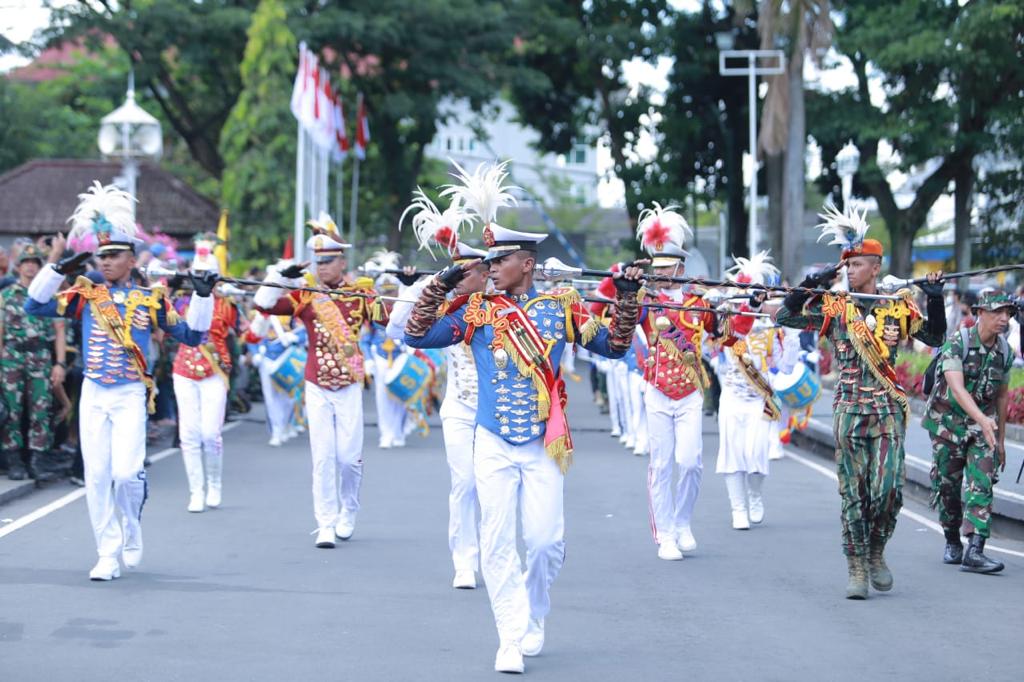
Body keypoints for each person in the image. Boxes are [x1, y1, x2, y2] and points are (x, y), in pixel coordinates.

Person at [403, 162, 643, 674]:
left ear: (526, 263)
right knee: (495, 540)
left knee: (545, 542)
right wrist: (440, 284)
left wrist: (626, 297)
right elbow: (416, 335)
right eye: (487, 260)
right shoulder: (477, 312)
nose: (489, 267)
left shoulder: (563, 306)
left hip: (542, 444)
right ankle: (510, 635)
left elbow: (617, 348)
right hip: (490, 440)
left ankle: (534, 612)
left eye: (499, 259)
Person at [25, 182, 215, 581]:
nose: (105, 261)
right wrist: (58, 268)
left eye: (113, 256)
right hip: (94, 390)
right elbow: (35, 305)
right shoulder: (86, 294)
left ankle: (131, 527)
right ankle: (106, 552)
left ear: (131, 259)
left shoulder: (152, 299)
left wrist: (202, 298)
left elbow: (194, 337)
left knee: (127, 473)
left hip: (130, 392)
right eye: (102, 255)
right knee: (96, 475)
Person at [775, 201, 946, 599]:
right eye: (845, 266)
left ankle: (876, 551)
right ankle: (855, 564)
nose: (848, 271)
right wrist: (812, 284)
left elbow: (935, 339)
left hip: (886, 410)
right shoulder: (836, 307)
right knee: (854, 493)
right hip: (850, 410)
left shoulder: (896, 305)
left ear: (875, 267)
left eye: (855, 265)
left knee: (888, 491)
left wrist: (935, 299)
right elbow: (786, 317)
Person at [254, 212, 389, 549]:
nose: (323, 267)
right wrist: (279, 278)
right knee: (323, 456)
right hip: (316, 382)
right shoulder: (306, 295)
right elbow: (263, 305)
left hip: (349, 382)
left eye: (328, 261)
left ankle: (350, 509)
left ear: (341, 261)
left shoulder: (361, 292)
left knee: (349, 458)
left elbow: (388, 319)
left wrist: (401, 287)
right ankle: (325, 522)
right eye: (318, 261)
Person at [387, 202, 491, 588]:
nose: (467, 278)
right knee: (464, 483)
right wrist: (421, 287)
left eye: (474, 271)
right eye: (460, 272)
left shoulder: (501, 301)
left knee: (495, 487)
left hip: (500, 408)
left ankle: (496, 553)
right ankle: (465, 560)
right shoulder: (443, 303)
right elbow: (396, 331)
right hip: (461, 407)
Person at [634, 203, 717, 561]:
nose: (663, 275)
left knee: (691, 461)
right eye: (659, 269)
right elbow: (612, 314)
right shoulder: (645, 300)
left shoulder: (698, 299)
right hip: (656, 389)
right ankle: (665, 534)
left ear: (681, 267)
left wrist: (725, 310)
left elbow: (725, 332)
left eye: (669, 268)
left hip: (689, 392)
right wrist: (625, 285)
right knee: (662, 464)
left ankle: (682, 521)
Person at [923, 290, 1016, 574]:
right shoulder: (957, 343)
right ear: (980, 313)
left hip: (981, 428)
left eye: (1008, 313)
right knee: (947, 488)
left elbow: (1001, 396)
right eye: (998, 312)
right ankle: (952, 540)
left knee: (982, 482)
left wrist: (999, 440)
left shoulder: (1005, 352)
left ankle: (975, 550)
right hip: (947, 424)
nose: (1004, 318)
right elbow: (956, 387)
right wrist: (983, 419)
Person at [171, 233, 239, 512]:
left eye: (206, 273)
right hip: (184, 369)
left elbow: (238, 330)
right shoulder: (178, 301)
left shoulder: (227, 303)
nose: (200, 277)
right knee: (188, 433)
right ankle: (195, 491)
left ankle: (214, 484)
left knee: (211, 433)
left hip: (214, 369)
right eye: (197, 273)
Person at [714, 251, 781, 530]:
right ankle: (737, 508)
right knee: (731, 452)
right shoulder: (728, 316)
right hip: (731, 394)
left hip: (758, 397)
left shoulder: (772, 321)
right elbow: (727, 341)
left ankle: (754, 495)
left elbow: (783, 364)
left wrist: (788, 339)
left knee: (756, 453)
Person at [0, 244, 67, 481]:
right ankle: (14, 459)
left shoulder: (47, 297)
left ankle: (38, 459)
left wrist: (60, 363)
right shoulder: (6, 296)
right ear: (18, 267)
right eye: (26, 262)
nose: (30, 266)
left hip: (39, 356)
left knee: (41, 409)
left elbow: (59, 330)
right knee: (12, 411)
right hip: (12, 358)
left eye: (35, 262)